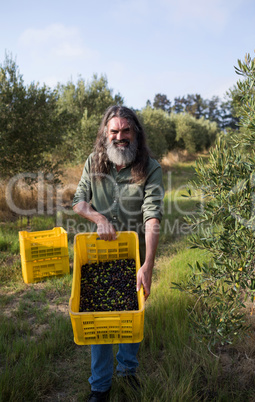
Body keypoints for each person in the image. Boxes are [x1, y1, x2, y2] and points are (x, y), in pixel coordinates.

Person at [72, 105, 164, 402]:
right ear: (105, 134)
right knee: (98, 318)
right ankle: (100, 386)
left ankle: (127, 370)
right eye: (114, 131)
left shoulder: (149, 168)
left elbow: (152, 218)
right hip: (99, 256)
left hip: (132, 256)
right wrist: (100, 219)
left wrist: (148, 265)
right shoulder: (93, 162)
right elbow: (78, 201)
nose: (120, 137)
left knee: (131, 316)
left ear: (135, 132)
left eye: (126, 131)